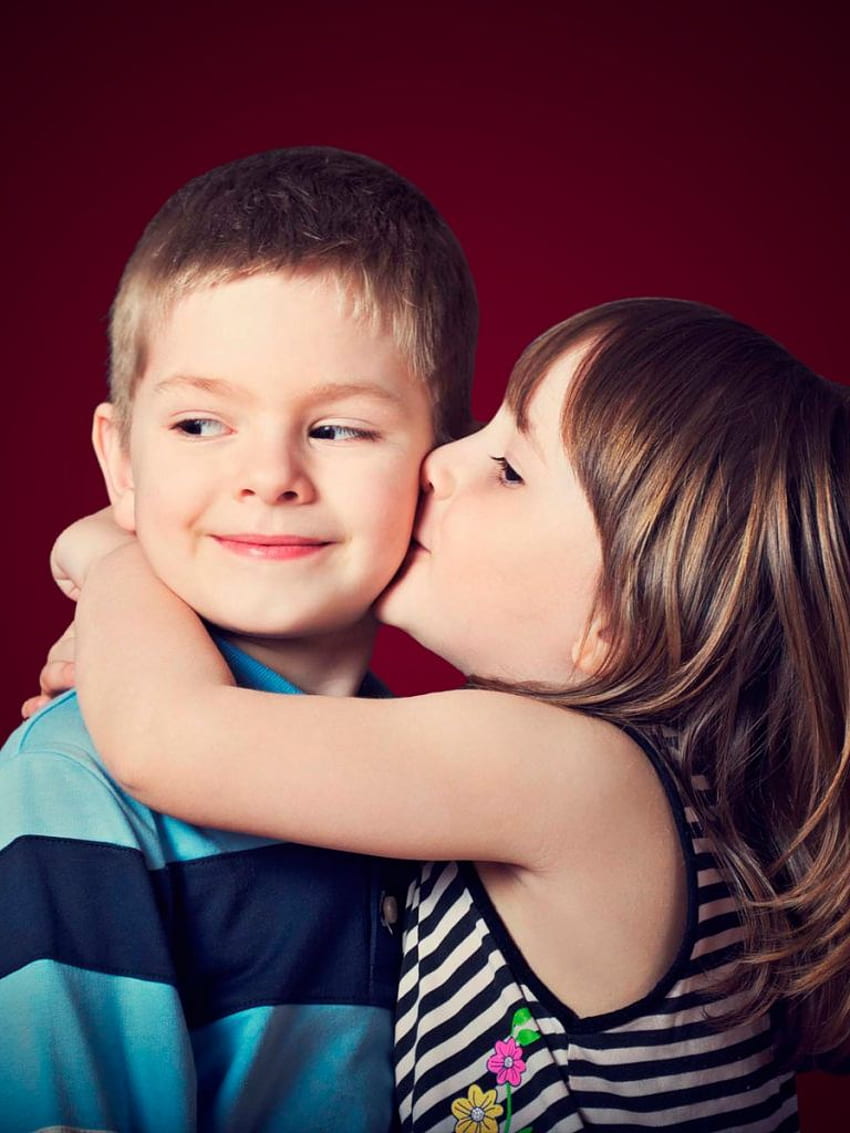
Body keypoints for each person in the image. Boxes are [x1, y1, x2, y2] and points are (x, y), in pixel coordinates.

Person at [47, 298, 850, 1131]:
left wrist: (113, 561)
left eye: (508, 468)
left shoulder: (569, 774)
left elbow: (168, 737)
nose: (440, 460)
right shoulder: (633, 790)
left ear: (621, 618)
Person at [0, 145, 478, 1132]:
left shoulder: (463, 778)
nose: (270, 475)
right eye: (199, 424)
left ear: (442, 467)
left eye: (339, 428)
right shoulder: (71, 781)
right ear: (119, 463)